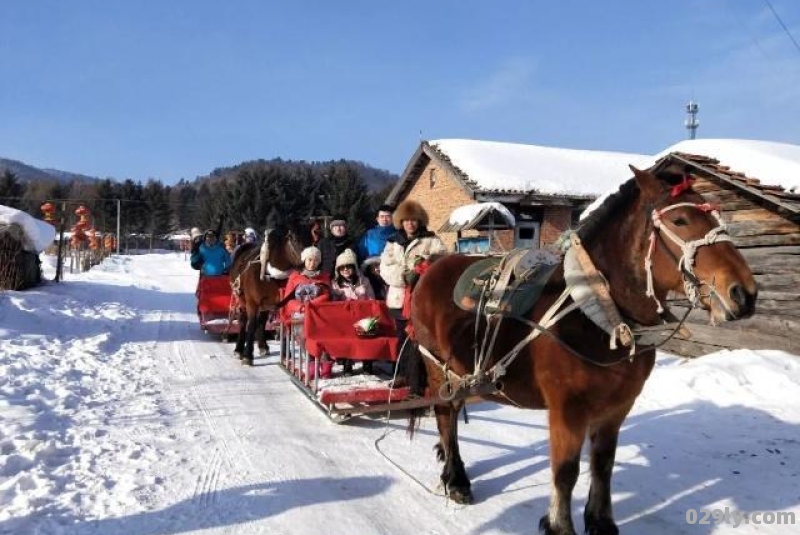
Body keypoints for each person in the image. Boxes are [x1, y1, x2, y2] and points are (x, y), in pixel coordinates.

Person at [380, 199, 446, 390]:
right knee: (403, 337)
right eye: (406, 220)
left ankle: (422, 378)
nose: (410, 223)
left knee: (422, 339)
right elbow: (385, 267)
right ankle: (402, 374)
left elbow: (441, 261)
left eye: (414, 220)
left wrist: (422, 269)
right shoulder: (393, 242)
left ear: (420, 221)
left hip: (424, 298)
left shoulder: (432, 240)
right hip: (400, 298)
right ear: (401, 221)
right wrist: (405, 275)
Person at [283, 246, 332, 378]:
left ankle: (325, 362)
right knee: (305, 334)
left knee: (322, 335)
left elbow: (327, 296)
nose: (312, 263)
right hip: (300, 314)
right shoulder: (295, 277)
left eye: (316, 260)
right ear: (304, 260)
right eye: (309, 259)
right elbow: (288, 299)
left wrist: (312, 305)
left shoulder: (324, 277)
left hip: (318, 313)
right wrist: (301, 307)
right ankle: (310, 363)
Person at [331, 248, 376, 376]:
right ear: (338, 270)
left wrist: (364, 299)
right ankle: (347, 365)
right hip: (345, 318)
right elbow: (332, 302)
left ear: (354, 267)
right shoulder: (336, 284)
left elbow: (372, 298)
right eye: (342, 267)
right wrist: (341, 299)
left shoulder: (364, 281)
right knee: (346, 339)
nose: (345, 270)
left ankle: (367, 364)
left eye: (348, 266)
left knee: (366, 338)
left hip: (363, 316)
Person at [356, 204, 394, 300]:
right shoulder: (369, 234)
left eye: (388, 216)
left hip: (393, 273)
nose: (385, 219)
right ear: (377, 219)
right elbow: (361, 252)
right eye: (382, 217)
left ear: (392, 218)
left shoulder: (398, 234)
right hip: (373, 274)